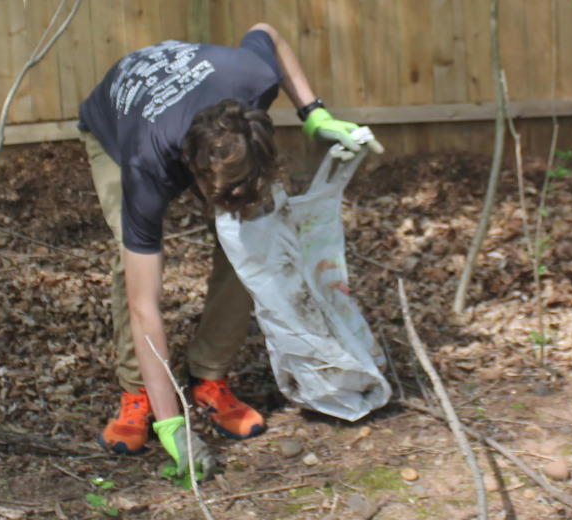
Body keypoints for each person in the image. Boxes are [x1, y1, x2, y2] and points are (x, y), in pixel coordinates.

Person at [77, 24, 377, 479]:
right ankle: (139, 392)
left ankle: (209, 375)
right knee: (131, 267)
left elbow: (267, 32)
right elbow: (144, 306)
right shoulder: (145, 164)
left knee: (251, 239)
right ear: (193, 174)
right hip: (116, 128)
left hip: (195, 100)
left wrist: (313, 112)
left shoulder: (253, 77)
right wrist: (173, 428)